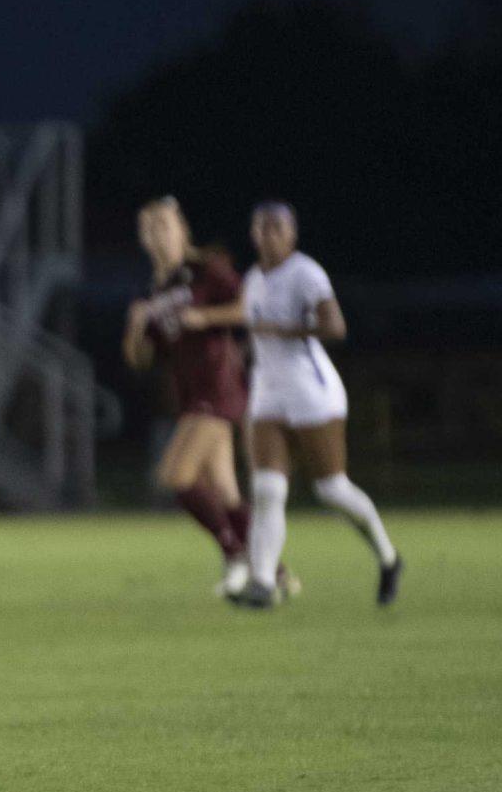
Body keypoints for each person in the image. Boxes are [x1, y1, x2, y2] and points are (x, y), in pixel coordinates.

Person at [234, 202, 400, 609]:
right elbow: (255, 335)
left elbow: (335, 326)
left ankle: (388, 557)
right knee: (267, 489)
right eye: (261, 227)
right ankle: (261, 583)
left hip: (310, 389)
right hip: (268, 390)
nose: (268, 234)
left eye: (277, 227)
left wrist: (282, 329)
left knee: (331, 489)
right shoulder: (252, 278)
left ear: (292, 234)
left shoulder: (305, 273)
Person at [122, 197, 255, 596]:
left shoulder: (205, 269)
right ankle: (273, 572)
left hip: (219, 388)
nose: (157, 235)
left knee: (175, 476)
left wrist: (207, 317)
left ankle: (235, 555)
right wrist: (134, 328)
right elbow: (140, 359)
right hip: (192, 395)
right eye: (149, 229)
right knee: (227, 491)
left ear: (182, 231)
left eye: (164, 225)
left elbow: (249, 307)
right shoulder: (154, 289)